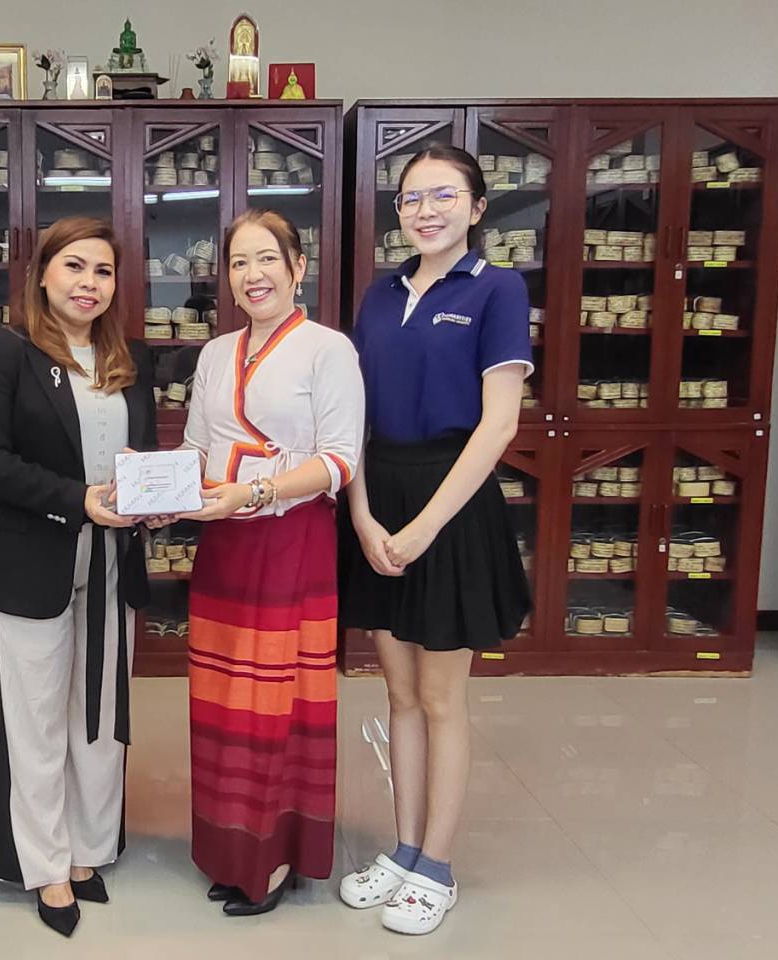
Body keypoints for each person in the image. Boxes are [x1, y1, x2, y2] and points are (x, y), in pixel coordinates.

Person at [337, 144, 534, 936]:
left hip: (450, 504)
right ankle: (404, 849)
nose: (425, 210)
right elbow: (350, 416)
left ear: (477, 207)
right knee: (399, 695)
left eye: (443, 195)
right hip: (378, 493)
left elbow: (498, 425)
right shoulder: (379, 295)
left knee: (443, 697)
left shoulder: (497, 289)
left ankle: (437, 868)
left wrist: (422, 528)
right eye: (412, 198)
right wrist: (361, 514)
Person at [0, 216, 163, 938]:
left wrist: (154, 501)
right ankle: (43, 863)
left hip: (112, 563)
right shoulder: (5, 350)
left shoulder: (130, 359)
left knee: (97, 717)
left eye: (102, 271)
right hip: (31, 560)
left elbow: (143, 456)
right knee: (35, 719)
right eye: (74, 266)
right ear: (41, 274)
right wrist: (78, 500)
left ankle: (86, 849)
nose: (88, 284)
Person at [180, 209, 364, 917]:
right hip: (225, 544)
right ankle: (230, 850)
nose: (252, 275)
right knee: (223, 699)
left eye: (266, 260)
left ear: (297, 268)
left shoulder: (327, 350)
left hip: (291, 539)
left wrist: (257, 492)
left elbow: (340, 461)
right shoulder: (213, 353)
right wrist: (161, 493)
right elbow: (196, 448)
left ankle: (276, 855)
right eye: (238, 262)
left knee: (279, 701)